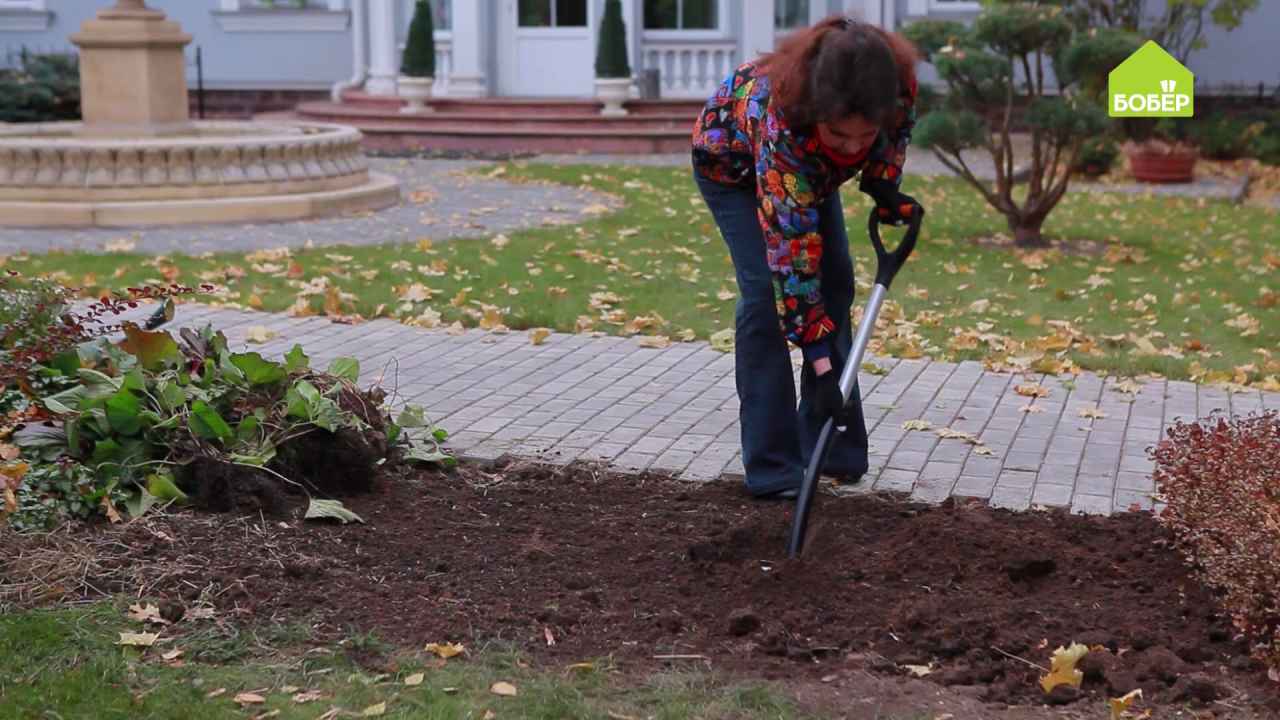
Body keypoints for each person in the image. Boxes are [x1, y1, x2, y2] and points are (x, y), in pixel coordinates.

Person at [691, 16, 921, 499]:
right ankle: (774, 467)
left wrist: (882, 182)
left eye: (864, 136)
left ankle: (832, 446)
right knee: (765, 301)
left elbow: (895, 135)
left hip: (808, 175)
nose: (854, 147)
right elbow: (791, 265)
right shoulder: (785, 126)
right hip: (733, 169)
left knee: (837, 286)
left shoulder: (893, 88)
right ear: (816, 111)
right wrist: (817, 360)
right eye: (840, 137)